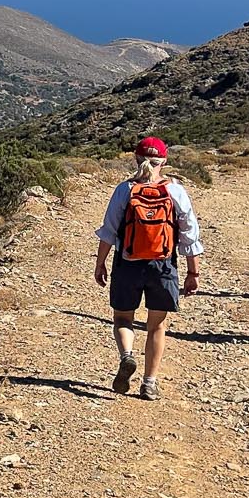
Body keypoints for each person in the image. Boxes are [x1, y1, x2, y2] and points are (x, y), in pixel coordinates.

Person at [93, 136, 203, 402]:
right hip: (162, 263)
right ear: (164, 161)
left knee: (123, 318)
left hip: (127, 262)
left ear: (135, 159)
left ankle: (127, 356)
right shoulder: (175, 191)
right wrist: (193, 272)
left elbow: (109, 231)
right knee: (157, 326)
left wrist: (100, 263)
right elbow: (189, 234)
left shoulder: (125, 190)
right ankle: (149, 384)